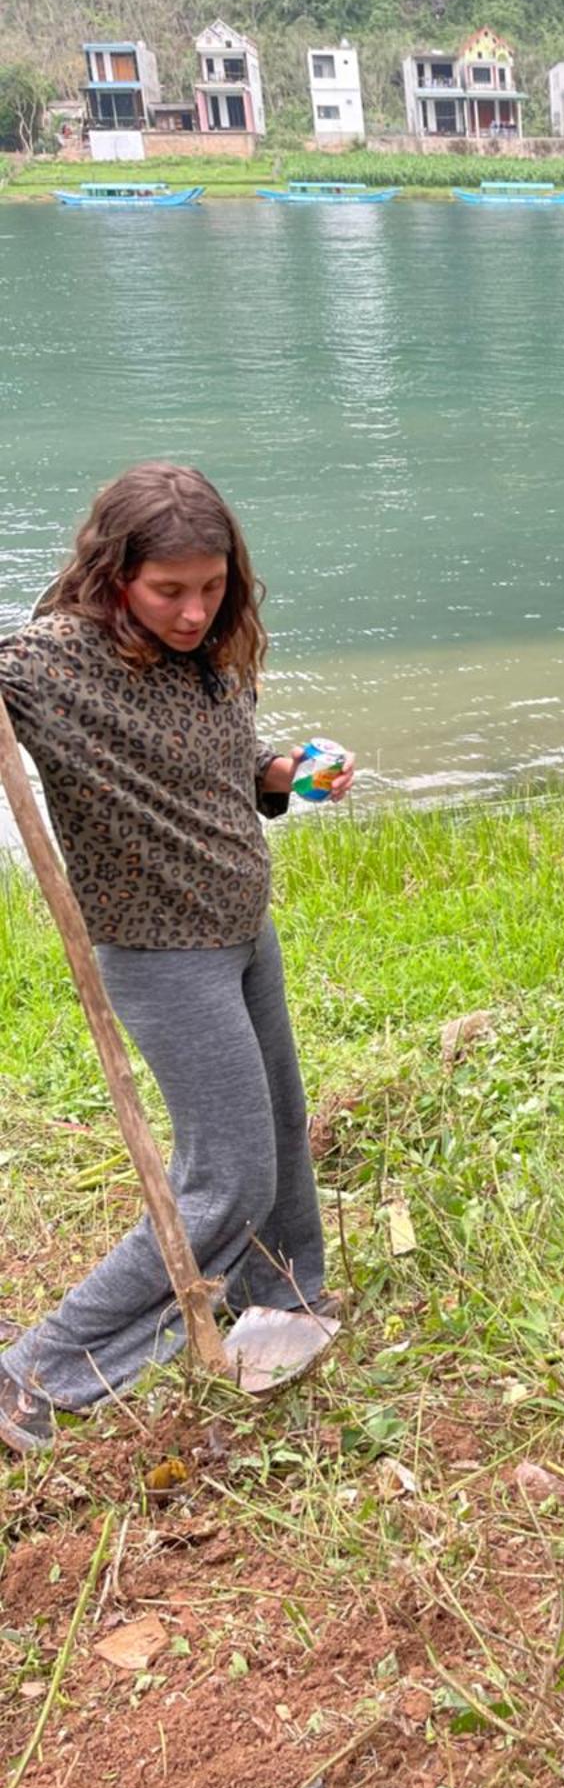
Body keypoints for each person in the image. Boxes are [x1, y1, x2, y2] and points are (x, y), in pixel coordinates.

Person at [0, 463, 355, 1454]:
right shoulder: (50, 663)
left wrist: (277, 773)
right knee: (227, 1174)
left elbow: (219, 760)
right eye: (170, 590)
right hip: (162, 952)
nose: (195, 608)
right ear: (116, 574)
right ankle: (30, 1378)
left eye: (211, 585)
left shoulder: (209, 650)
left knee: (281, 1132)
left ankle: (284, 1300)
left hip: (244, 924)